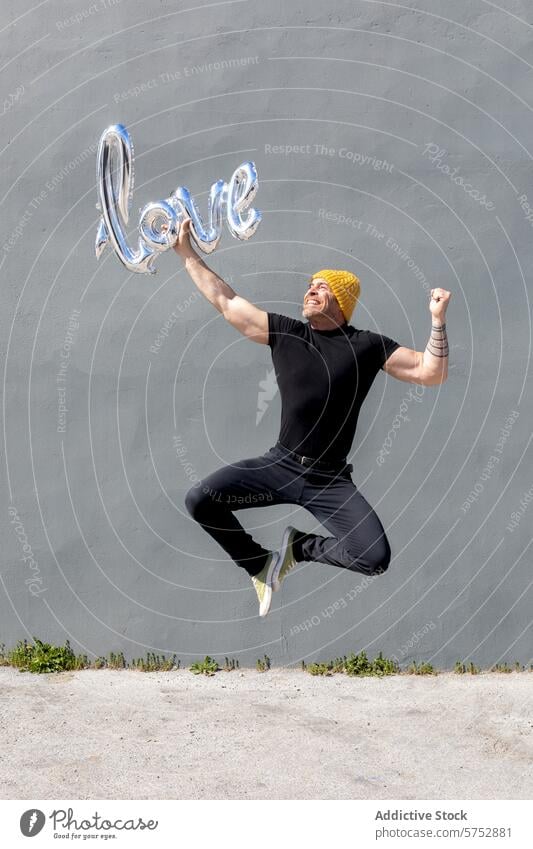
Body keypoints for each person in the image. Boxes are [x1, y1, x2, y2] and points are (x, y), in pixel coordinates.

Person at [173, 217, 450, 616]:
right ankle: (259, 564)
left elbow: (430, 372)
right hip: (280, 465)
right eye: (310, 285)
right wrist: (186, 254)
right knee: (201, 500)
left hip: (329, 480)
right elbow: (227, 301)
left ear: (341, 300)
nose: (311, 290)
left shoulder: (367, 346)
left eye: (322, 287)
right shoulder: (287, 334)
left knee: (373, 557)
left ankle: (298, 548)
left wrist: (437, 321)